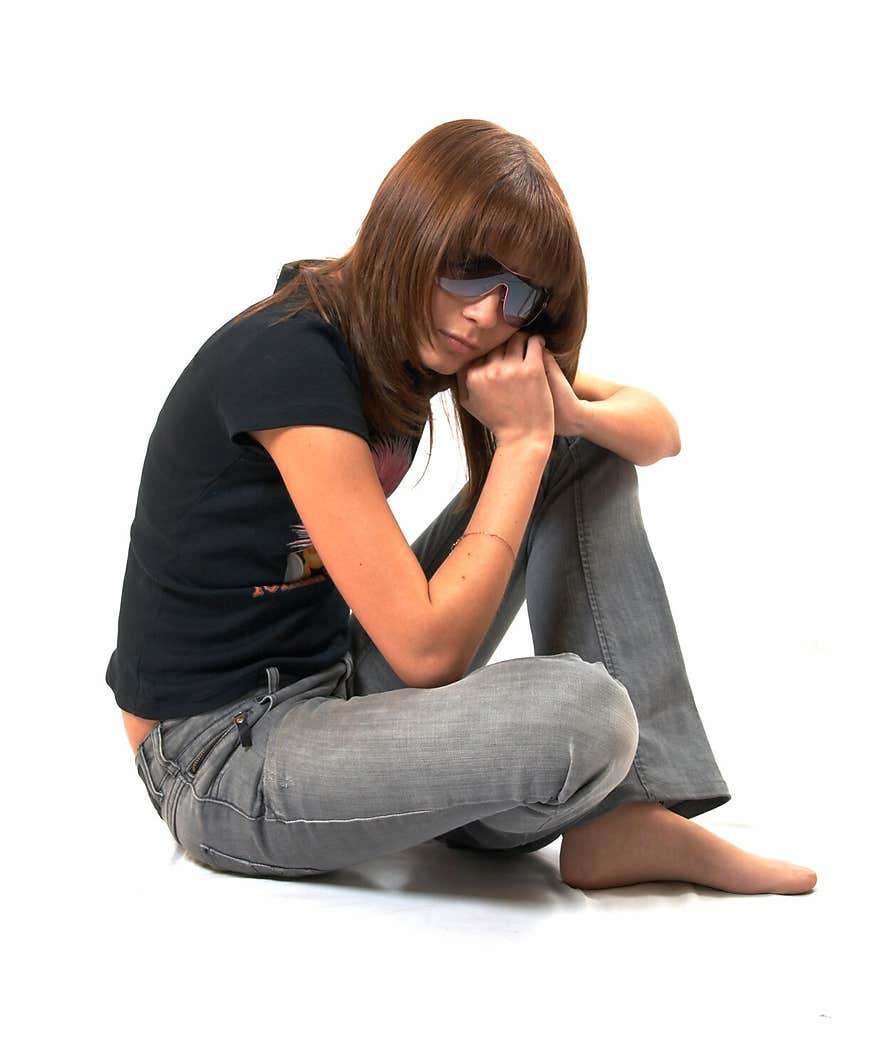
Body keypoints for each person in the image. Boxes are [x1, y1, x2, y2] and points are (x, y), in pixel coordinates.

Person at [107, 118, 816, 895]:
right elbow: (425, 651)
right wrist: (519, 448)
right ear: (411, 229)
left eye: (519, 293)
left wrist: (563, 421)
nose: (487, 312)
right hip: (218, 758)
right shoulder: (291, 362)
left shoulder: (412, 332)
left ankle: (623, 816)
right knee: (586, 717)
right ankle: (569, 794)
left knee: (579, 452)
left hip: (332, 681)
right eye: (473, 268)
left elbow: (657, 431)